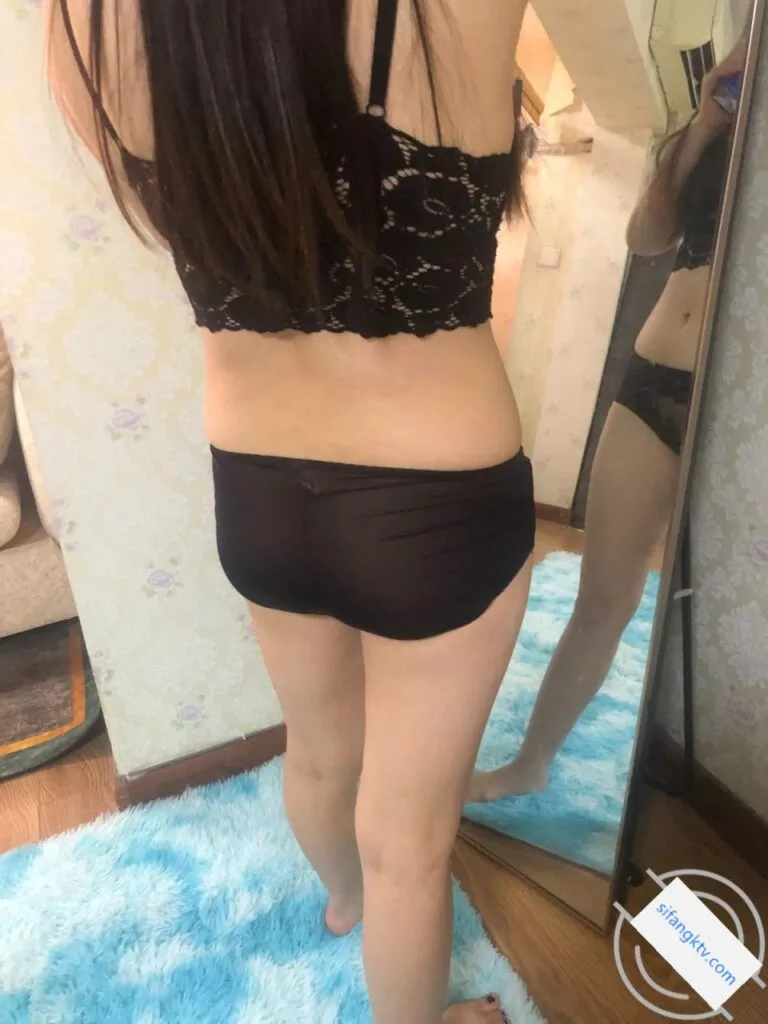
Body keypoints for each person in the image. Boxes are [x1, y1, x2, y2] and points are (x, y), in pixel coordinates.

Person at [45, 1, 533, 1021]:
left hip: (260, 492)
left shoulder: (83, 19)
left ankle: (345, 902)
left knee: (316, 751)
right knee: (410, 843)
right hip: (436, 505)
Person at [469, 38, 745, 805]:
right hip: (653, 380)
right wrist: (706, 123)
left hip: (739, 409)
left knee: (720, 626)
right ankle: (531, 761)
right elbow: (646, 239)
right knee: (604, 596)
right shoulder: (723, 131)